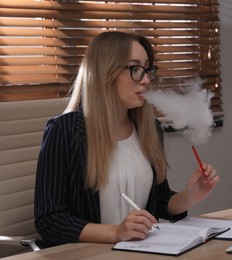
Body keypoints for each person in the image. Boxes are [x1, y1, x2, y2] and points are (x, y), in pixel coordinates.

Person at [34, 31, 220, 248]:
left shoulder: (150, 129)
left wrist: (189, 197)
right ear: (106, 72)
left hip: (140, 250)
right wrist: (116, 232)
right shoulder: (64, 131)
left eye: (148, 69)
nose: (146, 80)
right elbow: (48, 219)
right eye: (135, 69)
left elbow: (159, 203)